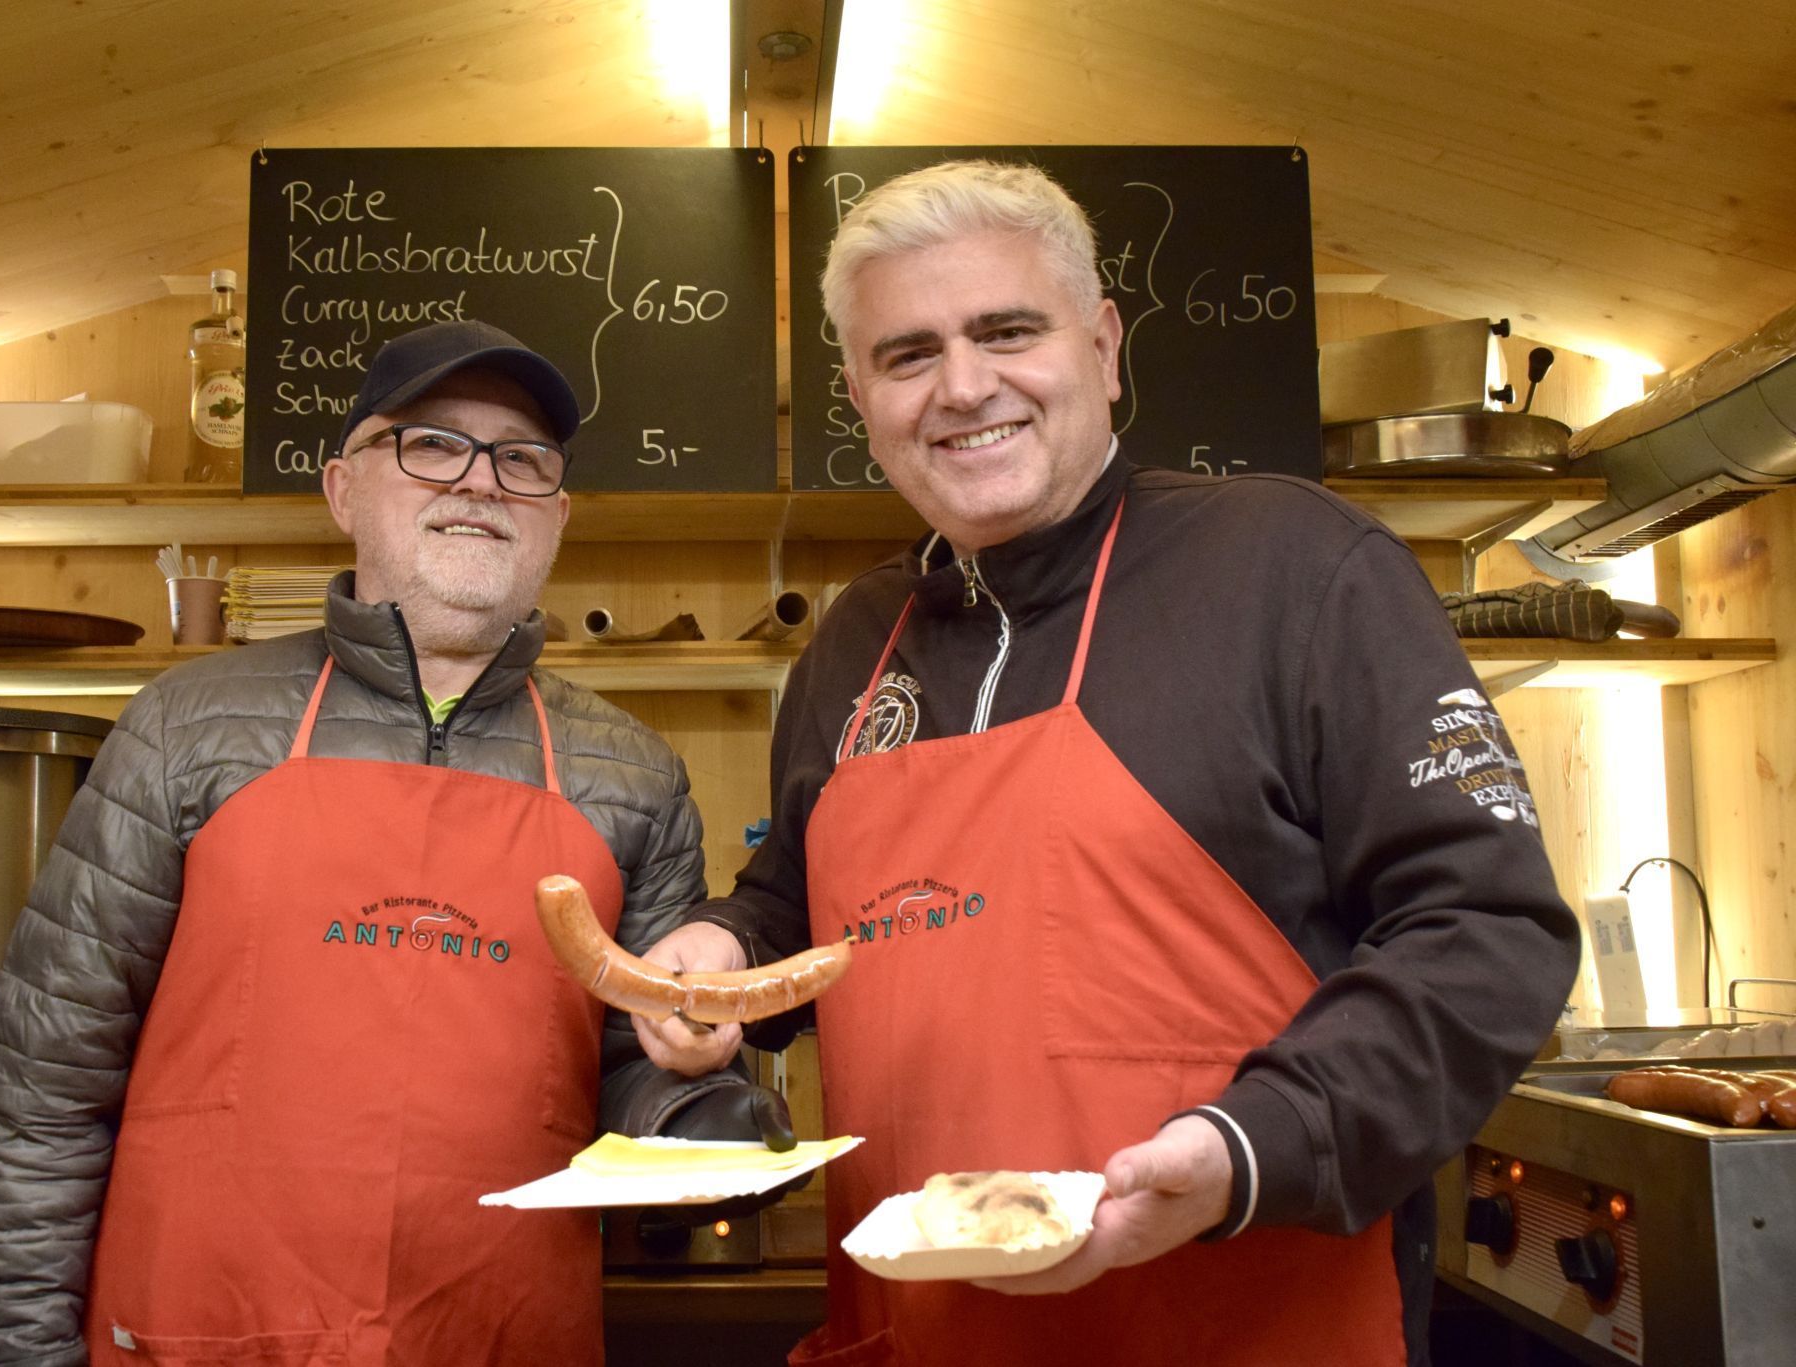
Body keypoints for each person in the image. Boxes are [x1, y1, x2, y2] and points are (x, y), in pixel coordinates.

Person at [635, 161, 1580, 1365]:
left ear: (1102, 345)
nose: (962, 385)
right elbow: (802, 906)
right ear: (861, 395)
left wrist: (1253, 1144)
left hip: (1240, 1313)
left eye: (1007, 331)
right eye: (906, 353)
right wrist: (724, 953)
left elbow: (1488, 926)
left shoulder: (1295, 567)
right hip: (919, 1331)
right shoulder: (851, 642)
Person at [0, 320, 792, 1367]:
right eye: (433, 444)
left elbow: (630, 1060)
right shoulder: (187, 726)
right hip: (191, 1331)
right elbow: (42, 1091)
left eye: (521, 460)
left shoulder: (632, 774)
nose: (481, 482)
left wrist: (693, 1101)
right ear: (344, 487)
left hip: (498, 1330)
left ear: (556, 517)